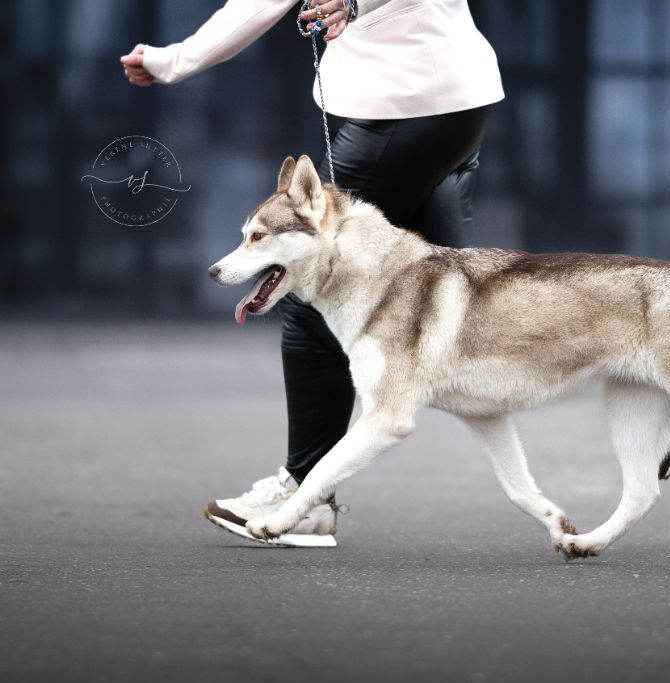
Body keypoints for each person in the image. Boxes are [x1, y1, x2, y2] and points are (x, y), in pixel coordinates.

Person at [122, 0, 503, 546]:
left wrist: (355, 4)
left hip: (404, 108)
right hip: (443, 103)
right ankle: (663, 375)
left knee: (310, 287)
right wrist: (174, 59)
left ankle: (304, 497)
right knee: (469, 303)